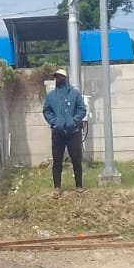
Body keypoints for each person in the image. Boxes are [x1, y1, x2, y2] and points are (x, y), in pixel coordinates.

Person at [42, 68, 87, 198]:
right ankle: (57, 188)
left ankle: (79, 186)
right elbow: (46, 110)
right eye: (56, 77)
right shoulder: (51, 96)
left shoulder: (74, 94)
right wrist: (53, 122)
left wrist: (74, 121)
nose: (58, 79)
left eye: (61, 77)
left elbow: (82, 110)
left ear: (65, 78)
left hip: (73, 132)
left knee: (76, 160)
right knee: (57, 161)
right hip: (58, 133)